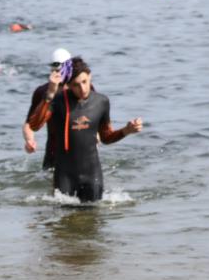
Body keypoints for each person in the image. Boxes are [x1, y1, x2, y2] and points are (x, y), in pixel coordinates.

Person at [26, 57, 143, 202]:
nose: (82, 89)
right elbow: (34, 125)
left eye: (84, 82)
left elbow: (106, 137)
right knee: (64, 214)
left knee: (94, 213)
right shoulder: (58, 101)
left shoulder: (101, 101)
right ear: (68, 85)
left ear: (90, 76)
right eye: (76, 85)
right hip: (65, 177)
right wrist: (50, 93)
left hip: (92, 175)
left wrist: (126, 130)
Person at [23, 48, 72, 169]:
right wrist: (29, 140)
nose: (59, 75)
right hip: (53, 152)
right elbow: (29, 124)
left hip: (80, 150)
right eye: (56, 70)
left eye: (61, 70)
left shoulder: (80, 87)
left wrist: (96, 137)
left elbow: (93, 114)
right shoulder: (42, 92)